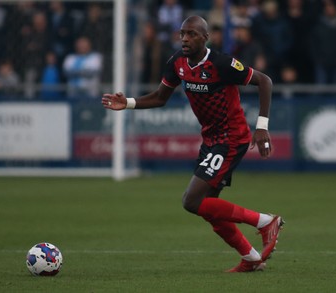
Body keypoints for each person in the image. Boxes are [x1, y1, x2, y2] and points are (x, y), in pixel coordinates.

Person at [102, 16, 284, 273]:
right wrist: (128, 103)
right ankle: (252, 258)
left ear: (204, 38)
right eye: (182, 34)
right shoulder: (177, 63)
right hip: (210, 140)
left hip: (230, 138)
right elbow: (159, 97)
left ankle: (265, 222)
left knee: (191, 201)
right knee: (208, 208)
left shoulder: (222, 63)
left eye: (191, 34)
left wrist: (262, 126)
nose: (185, 39)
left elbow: (265, 81)